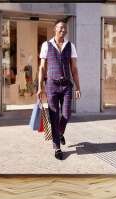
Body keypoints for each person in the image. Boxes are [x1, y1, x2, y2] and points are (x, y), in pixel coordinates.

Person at [37, 19, 81, 160]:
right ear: (55, 29)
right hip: (51, 85)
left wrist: (78, 86)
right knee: (54, 116)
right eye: (60, 28)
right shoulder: (46, 45)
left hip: (67, 84)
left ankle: (60, 132)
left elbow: (74, 68)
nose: (63, 30)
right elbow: (42, 68)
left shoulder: (70, 46)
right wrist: (40, 87)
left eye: (65, 28)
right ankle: (57, 147)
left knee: (67, 114)